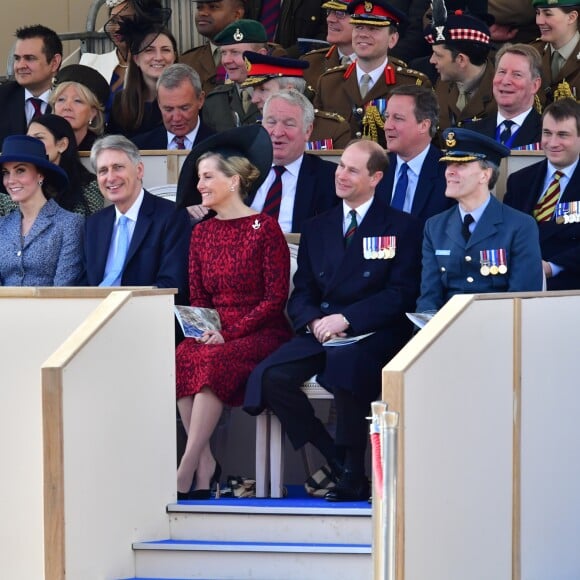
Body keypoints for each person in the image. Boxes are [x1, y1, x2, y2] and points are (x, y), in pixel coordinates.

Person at [244, 139, 423, 502]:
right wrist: (313, 321)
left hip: (372, 331)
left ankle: (354, 472)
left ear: (375, 177)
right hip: (322, 329)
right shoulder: (318, 226)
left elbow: (402, 292)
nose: (341, 175)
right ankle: (335, 456)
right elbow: (304, 290)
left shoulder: (401, 226)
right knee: (271, 376)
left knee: (348, 364)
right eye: (340, 165)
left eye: (352, 170)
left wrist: (348, 318)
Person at [175, 125, 292, 499]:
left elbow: (275, 299)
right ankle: (205, 464)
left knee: (211, 363)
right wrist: (205, 329)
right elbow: (199, 298)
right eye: (198, 178)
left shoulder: (264, 228)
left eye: (208, 176)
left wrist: (230, 332)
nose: (200, 185)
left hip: (261, 332)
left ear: (234, 180)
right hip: (215, 332)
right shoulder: (201, 233)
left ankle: (184, 470)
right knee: (183, 356)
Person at [416, 128, 544, 314]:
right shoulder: (435, 226)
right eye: (448, 164)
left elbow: (521, 299)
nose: (449, 172)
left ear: (485, 175)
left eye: (460, 165)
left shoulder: (519, 226)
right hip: (446, 332)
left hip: (500, 331)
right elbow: (429, 297)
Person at [177, 89, 338, 233]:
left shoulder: (329, 178)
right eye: (271, 122)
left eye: (289, 124)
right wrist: (191, 216)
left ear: (308, 131)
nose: (277, 132)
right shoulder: (236, 169)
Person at [82, 135, 190, 303]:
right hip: (95, 315)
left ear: (139, 170)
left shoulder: (171, 216)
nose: (110, 178)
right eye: (103, 170)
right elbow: (82, 284)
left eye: (118, 167)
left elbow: (172, 285)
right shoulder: (94, 224)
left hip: (144, 315)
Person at [313, 0, 430, 145]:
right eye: (359, 27)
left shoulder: (413, 85)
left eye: (373, 29)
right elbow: (316, 135)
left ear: (392, 39)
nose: (363, 34)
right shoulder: (328, 82)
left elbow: (425, 141)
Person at [504, 98, 580, 290]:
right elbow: (505, 233)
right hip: (518, 288)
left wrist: (551, 267)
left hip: (570, 289)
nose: (553, 143)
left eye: (563, 135)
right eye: (547, 133)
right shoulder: (519, 181)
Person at [0, 135, 83, 286]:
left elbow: (63, 289)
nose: (10, 180)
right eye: (6, 172)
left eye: (20, 170)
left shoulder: (70, 224)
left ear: (40, 175)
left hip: (50, 308)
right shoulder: (2, 225)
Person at [377, 84, 454, 224]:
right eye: (387, 117)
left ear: (424, 125)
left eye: (398, 118)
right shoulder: (376, 167)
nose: (387, 126)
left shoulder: (449, 174)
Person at [242, 51, 351, 149]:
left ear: (290, 91)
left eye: (263, 89)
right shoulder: (254, 133)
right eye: (254, 90)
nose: (254, 99)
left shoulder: (332, 129)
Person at [80, 0, 171, 110]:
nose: (118, 28)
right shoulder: (91, 63)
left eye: (126, 21)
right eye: (113, 20)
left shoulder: (156, 65)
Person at [425, 7, 496, 131]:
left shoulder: (502, 91)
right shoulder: (441, 85)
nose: (431, 60)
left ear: (461, 60)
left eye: (438, 55)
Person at [108, 25, 178, 138]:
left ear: (174, 57)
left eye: (165, 50)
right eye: (149, 50)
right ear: (136, 59)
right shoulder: (121, 102)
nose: (158, 57)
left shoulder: (187, 98)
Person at [470, 43, 543, 149]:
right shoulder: (472, 133)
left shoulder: (548, 134)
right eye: (502, 72)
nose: (505, 81)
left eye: (517, 74)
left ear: (535, 85)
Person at [0, 25, 62, 148]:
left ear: (54, 62)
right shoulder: (2, 97)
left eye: (30, 58)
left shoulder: (70, 101)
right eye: (17, 58)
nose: (20, 65)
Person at [202, 20, 269, 132]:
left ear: (260, 55)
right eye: (223, 53)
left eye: (235, 52)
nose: (226, 60)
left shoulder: (282, 97)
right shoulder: (215, 101)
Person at [132, 64, 214, 150]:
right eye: (168, 109)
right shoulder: (139, 149)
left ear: (200, 100)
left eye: (184, 108)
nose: (176, 118)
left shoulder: (220, 147)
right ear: (159, 104)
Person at [179, 0, 246, 95]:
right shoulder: (186, 62)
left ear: (237, 14)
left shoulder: (260, 55)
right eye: (199, 7)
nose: (202, 13)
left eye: (213, 7)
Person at [50, 65, 111, 152]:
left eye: (77, 101)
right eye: (61, 99)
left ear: (93, 112)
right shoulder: (43, 146)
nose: (67, 107)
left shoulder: (104, 152)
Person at [531, 0, 580, 106]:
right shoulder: (531, 53)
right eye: (538, 13)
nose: (539, 21)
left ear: (571, 17)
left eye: (547, 14)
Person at [300, 0, 357, 87]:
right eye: (329, 11)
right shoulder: (310, 63)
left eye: (340, 13)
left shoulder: (379, 66)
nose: (329, 19)